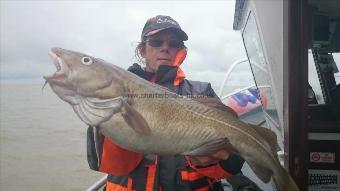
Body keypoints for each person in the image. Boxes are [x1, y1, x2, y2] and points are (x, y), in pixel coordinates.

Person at [87, 15, 246, 191]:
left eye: (173, 43)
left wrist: (216, 160)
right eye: (156, 42)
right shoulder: (114, 92)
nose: (165, 48)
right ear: (142, 50)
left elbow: (231, 165)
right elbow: (99, 161)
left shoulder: (202, 92)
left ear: (180, 50)